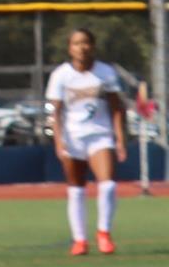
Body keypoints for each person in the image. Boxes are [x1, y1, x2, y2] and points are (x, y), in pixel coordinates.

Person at [46, 28, 128, 255]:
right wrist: (58, 141)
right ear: (69, 48)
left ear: (93, 46)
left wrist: (119, 139)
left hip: (100, 135)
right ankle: (79, 239)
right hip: (73, 137)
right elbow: (55, 111)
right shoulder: (60, 75)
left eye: (86, 43)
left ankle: (104, 233)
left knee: (108, 183)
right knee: (76, 189)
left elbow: (117, 107)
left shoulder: (105, 72)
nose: (81, 47)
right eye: (76, 43)